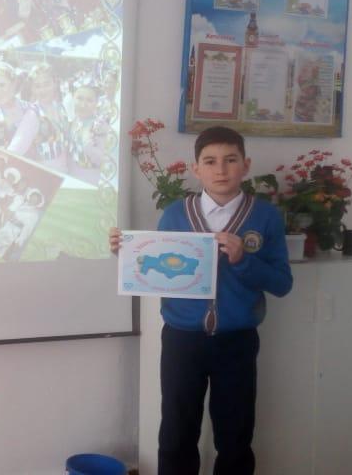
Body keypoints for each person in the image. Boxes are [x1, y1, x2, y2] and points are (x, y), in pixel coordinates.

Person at [109, 126, 292, 475]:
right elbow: (158, 268)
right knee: (177, 433)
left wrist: (243, 259)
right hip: (182, 340)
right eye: (210, 161)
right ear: (196, 169)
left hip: (237, 342)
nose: (220, 170)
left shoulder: (265, 217)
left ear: (245, 165)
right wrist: (129, 255)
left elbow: (282, 284)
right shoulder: (176, 214)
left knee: (235, 436)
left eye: (230, 160)